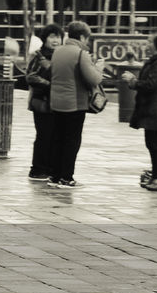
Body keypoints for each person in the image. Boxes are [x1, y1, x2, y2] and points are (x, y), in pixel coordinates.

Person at [47, 20, 103, 188]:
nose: (87, 42)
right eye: (87, 39)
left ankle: (54, 176)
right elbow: (94, 79)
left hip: (56, 102)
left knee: (58, 139)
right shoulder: (81, 54)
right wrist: (99, 68)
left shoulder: (57, 52)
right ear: (81, 37)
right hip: (74, 104)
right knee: (72, 141)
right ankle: (67, 177)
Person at [126, 30, 157, 191]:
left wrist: (133, 81)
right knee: (152, 143)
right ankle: (156, 176)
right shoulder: (156, 62)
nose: (147, 44)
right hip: (150, 108)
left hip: (155, 108)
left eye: (149, 41)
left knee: (156, 144)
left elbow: (150, 85)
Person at [24, 23, 61, 182]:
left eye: (58, 37)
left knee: (54, 136)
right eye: (52, 36)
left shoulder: (61, 55)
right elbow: (31, 76)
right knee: (44, 136)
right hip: (42, 102)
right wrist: (50, 85)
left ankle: (50, 167)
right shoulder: (39, 56)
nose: (55, 40)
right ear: (45, 39)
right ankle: (38, 169)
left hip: (57, 103)